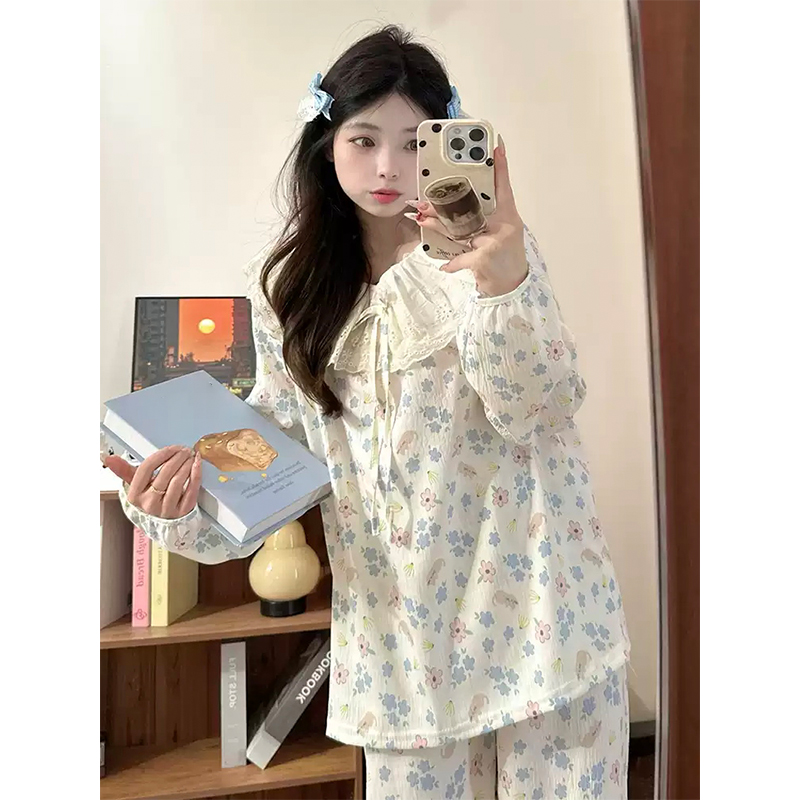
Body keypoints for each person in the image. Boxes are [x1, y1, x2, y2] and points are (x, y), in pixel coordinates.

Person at [103, 24, 631, 800]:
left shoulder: (492, 252)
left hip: (542, 621)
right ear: (327, 145)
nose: (389, 167)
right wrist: (175, 509)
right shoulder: (291, 296)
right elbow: (275, 467)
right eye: (363, 139)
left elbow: (538, 408)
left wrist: (504, 283)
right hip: (401, 652)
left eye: (416, 142)